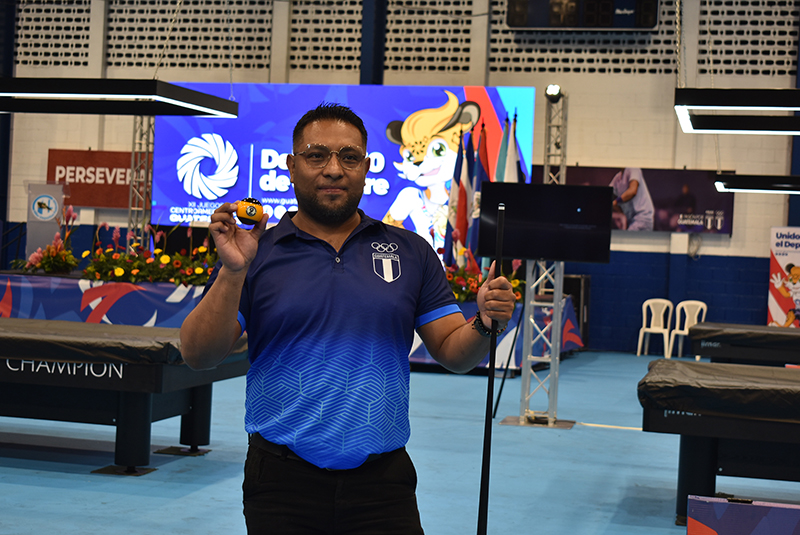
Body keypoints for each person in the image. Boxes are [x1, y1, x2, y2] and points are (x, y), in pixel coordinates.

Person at [179, 102, 516, 534]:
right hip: (281, 483)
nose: (334, 169)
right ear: (291, 167)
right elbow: (198, 355)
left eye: (349, 157)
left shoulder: (411, 252)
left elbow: (453, 352)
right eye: (317, 156)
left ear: (367, 167)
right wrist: (233, 271)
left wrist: (484, 322)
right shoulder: (255, 253)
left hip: (384, 486)